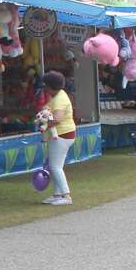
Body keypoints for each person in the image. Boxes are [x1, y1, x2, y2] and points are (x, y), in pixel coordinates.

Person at [41, 71, 76, 206]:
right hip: (62, 135)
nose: (44, 89)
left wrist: (44, 123)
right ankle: (57, 194)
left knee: (55, 167)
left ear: (51, 86)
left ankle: (66, 196)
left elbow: (58, 119)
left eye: (46, 86)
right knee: (55, 166)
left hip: (62, 135)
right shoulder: (58, 96)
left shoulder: (59, 99)